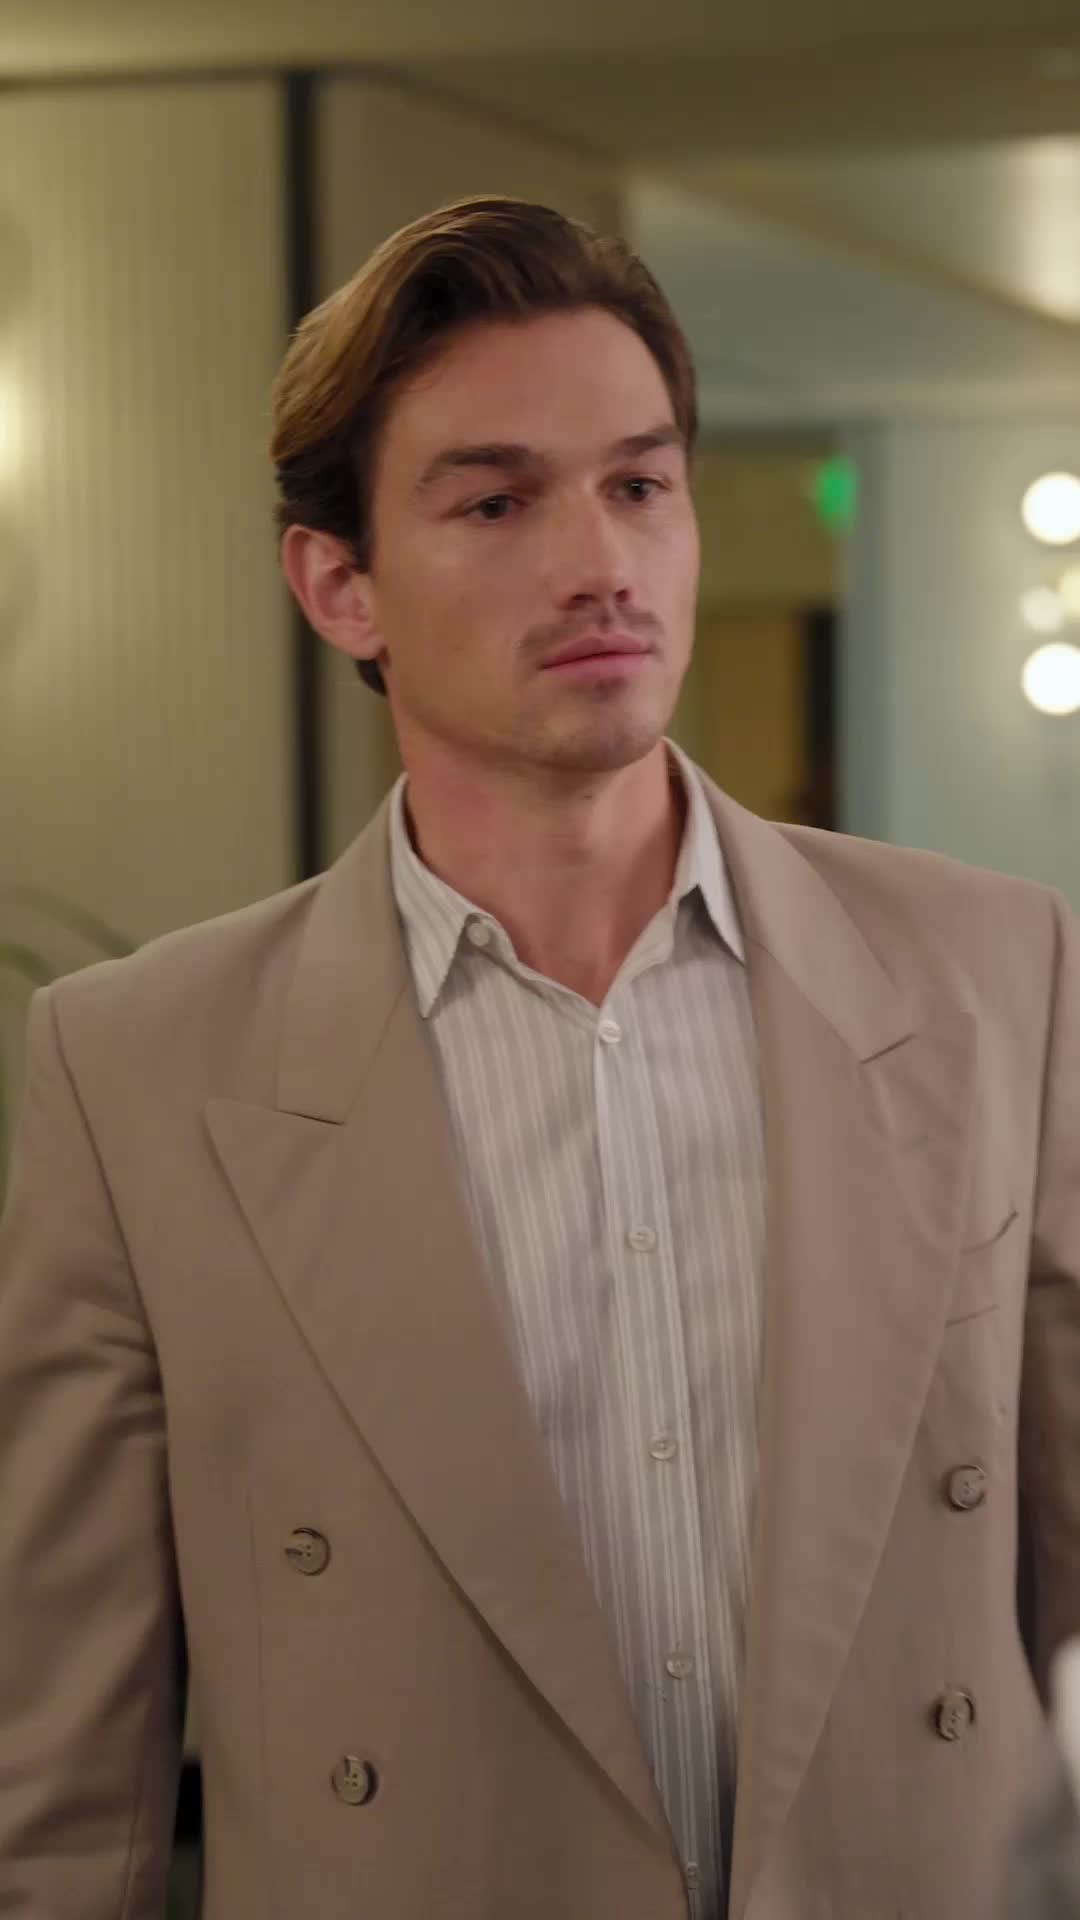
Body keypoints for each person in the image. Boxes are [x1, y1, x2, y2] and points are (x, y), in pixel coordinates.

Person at [0, 196, 1076, 1920]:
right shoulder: (139, 1071)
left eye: (640, 485)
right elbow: (58, 1782)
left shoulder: (991, 973)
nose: (601, 562)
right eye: (498, 502)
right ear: (339, 585)